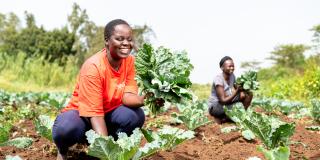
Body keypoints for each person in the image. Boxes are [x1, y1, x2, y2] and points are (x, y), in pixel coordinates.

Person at [52, 19, 159, 160]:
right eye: (119, 39)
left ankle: (101, 151)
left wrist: (143, 99)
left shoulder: (131, 62)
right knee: (66, 129)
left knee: (135, 116)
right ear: (107, 41)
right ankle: (63, 151)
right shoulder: (93, 66)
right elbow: (95, 114)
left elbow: (127, 96)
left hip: (108, 114)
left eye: (129, 39)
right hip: (82, 116)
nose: (126, 43)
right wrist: (106, 152)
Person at [208, 56, 253, 124]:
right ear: (222, 68)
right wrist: (237, 91)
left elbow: (235, 87)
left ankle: (233, 117)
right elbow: (223, 100)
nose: (232, 68)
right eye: (229, 66)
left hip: (226, 102)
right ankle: (220, 116)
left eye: (233, 66)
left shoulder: (232, 76)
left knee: (247, 94)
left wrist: (244, 87)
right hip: (216, 106)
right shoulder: (218, 79)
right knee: (237, 103)